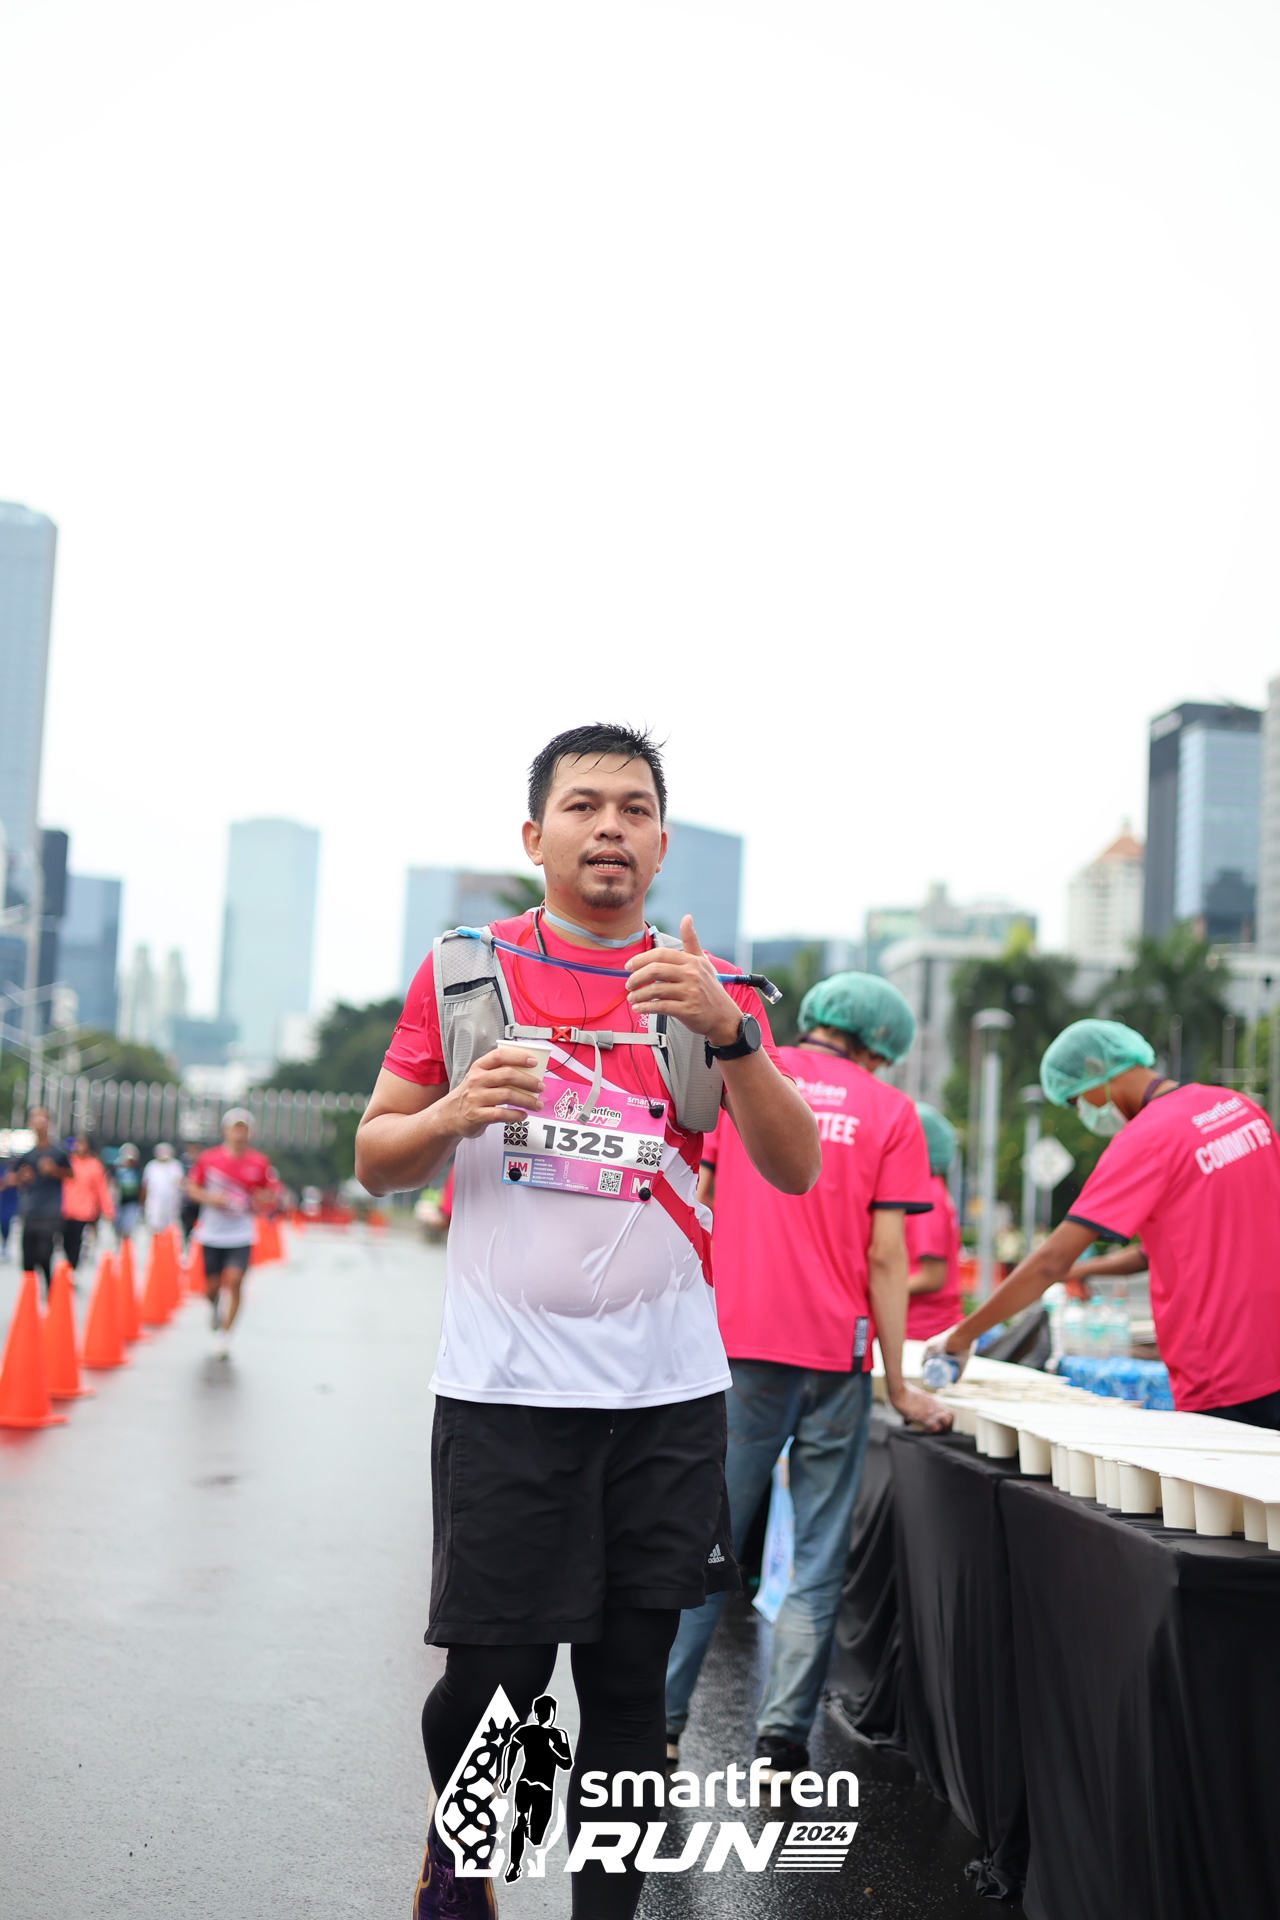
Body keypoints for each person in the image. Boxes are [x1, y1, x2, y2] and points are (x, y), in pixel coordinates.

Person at [354, 723, 820, 1920]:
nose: (608, 826)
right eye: (582, 806)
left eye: (632, 809)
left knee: (623, 1691)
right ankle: (467, 1861)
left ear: (660, 845)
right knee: (497, 1686)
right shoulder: (464, 974)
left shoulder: (710, 989)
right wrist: (454, 1111)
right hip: (505, 1391)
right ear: (535, 835)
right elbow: (376, 1159)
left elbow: (794, 1166)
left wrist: (730, 1032)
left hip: (665, 1398)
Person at [663, 973, 951, 1782]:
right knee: (817, 1558)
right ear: (882, 1042)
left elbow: (700, 1204)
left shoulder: (747, 1071)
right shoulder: (892, 1112)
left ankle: (660, 1726)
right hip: (837, 1357)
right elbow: (888, 1257)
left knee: (704, 1548)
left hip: (738, 1349)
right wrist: (900, 1382)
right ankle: (782, 1737)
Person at [925, 1018, 1280, 1426]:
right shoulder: (1237, 1108)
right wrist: (1082, 1270)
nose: (1083, 1113)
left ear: (1096, 1069)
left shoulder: (1146, 1139)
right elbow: (1164, 1249)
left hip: (1222, 1368)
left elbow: (1050, 1261)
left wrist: (960, 1337)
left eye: (1076, 1101)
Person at [185, 1110, 279, 1354]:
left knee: (235, 1281)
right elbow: (191, 1188)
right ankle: (215, 1307)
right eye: (234, 1128)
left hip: (241, 1234)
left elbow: (271, 1193)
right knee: (212, 1288)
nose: (239, 1133)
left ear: (250, 1132)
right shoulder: (208, 1159)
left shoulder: (259, 1162)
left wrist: (261, 1198)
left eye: (243, 1128)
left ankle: (225, 1336)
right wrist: (210, 1198)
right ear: (224, 1131)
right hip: (212, 1233)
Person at [498, 1694, 573, 1884]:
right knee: (520, 1821)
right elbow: (510, 1749)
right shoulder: (528, 1731)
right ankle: (514, 1865)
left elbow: (567, 1763)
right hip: (529, 1784)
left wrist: (551, 1750)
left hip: (541, 1788)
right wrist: (506, 1776)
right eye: (545, 1712)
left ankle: (527, 1831)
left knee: (535, 1835)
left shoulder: (558, 1735)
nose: (548, 1715)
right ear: (540, 1714)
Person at [904, 1102, 963, 1340]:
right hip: (920, 1330)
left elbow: (931, 1277)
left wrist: (873, 1289)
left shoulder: (926, 1198)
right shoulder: (928, 1191)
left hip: (922, 1332)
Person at [5, 1108, 72, 1295]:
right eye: (35, 1119)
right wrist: (22, 1177)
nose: (39, 1123)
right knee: (27, 1259)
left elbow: (71, 1175)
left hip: (50, 1211)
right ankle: (29, 1295)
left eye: (43, 1119)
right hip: (30, 1210)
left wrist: (53, 1171)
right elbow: (10, 1179)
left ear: (49, 1123)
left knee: (44, 1253)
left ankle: (51, 1290)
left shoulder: (59, 1152)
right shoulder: (27, 1155)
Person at [60, 1133, 115, 1272]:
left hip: (84, 1211)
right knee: (66, 1240)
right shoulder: (68, 1161)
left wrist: (107, 1209)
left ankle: (73, 1267)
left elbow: (101, 1189)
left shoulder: (94, 1165)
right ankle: (68, 1265)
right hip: (66, 1209)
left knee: (77, 1241)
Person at [142, 1142, 185, 1234]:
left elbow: (181, 1183)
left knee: (172, 1225)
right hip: (154, 1202)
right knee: (154, 1225)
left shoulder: (175, 1165)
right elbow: (145, 1186)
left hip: (172, 1203)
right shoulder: (151, 1166)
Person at [113, 1144, 143, 1239]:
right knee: (118, 1222)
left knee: (129, 1225)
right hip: (120, 1201)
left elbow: (140, 1187)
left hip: (132, 1201)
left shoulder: (137, 1171)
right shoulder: (118, 1169)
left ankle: (126, 1240)